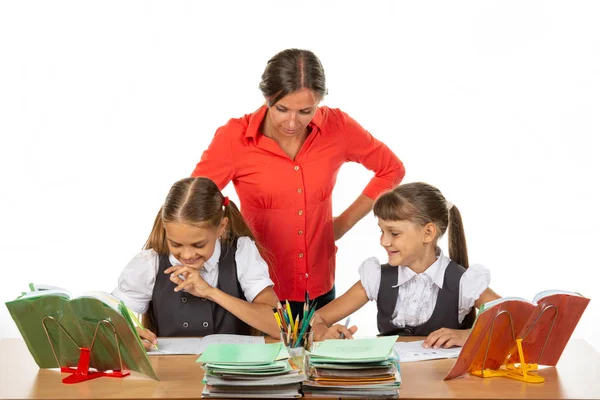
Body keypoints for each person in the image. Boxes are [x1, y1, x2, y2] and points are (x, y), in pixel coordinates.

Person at [191, 48, 405, 318]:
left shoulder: (337, 127)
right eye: (282, 109)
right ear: (267, 97)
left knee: (318, 360)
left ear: (320, 101)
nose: (292, 122)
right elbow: (193, 203)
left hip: (318, 288)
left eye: (306, 111)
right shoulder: (234, 138)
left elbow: (391, 169)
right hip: (257, 291)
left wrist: (341, 224)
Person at [311, 182, 501, 349]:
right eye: (381, 231)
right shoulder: (377, 277)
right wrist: (322, 333)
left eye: (394, 233)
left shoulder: (463, 282)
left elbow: (519, 322)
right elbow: (316, 319)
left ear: (428, 233)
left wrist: (468, 335)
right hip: (390, 380)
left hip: (443, 386)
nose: (384, 241)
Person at [113, 177, 280, 349]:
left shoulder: (241, 253)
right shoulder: (150, 262)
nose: (186, 255)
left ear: (222, 227)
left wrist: (211, 292)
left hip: (233, 372)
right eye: (175, 244)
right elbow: (103, 324)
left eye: (199, 245)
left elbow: (280, 327)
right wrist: (126, 335)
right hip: (170, 373)